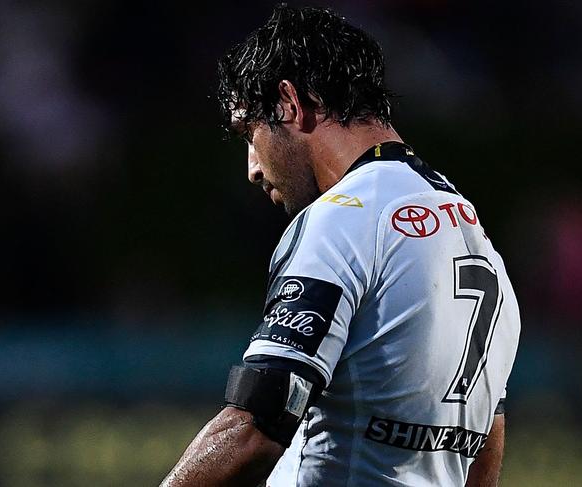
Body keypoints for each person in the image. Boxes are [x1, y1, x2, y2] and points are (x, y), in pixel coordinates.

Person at [162, 4, 520, 486]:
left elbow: (255, 426)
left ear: (287, 102)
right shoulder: (474, 234)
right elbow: (486, 443)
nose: (252, 166)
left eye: (249, 131)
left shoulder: (343, 217)